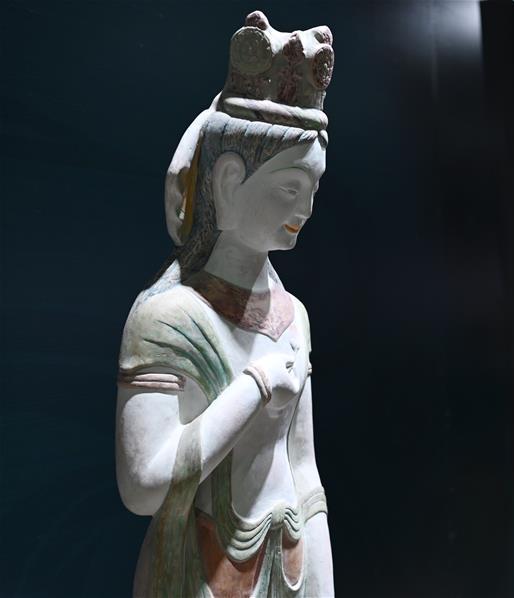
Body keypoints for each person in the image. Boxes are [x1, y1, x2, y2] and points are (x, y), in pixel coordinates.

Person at [115, 12, 336, 597]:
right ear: (229, 181)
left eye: (313, 189)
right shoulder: (167, 318)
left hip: (289, 570)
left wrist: (323, 583)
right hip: (197, 573)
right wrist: (254, 388)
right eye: (290, 188)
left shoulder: (292, 316)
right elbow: (143, 485)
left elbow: (304, 471)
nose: (305, 209)